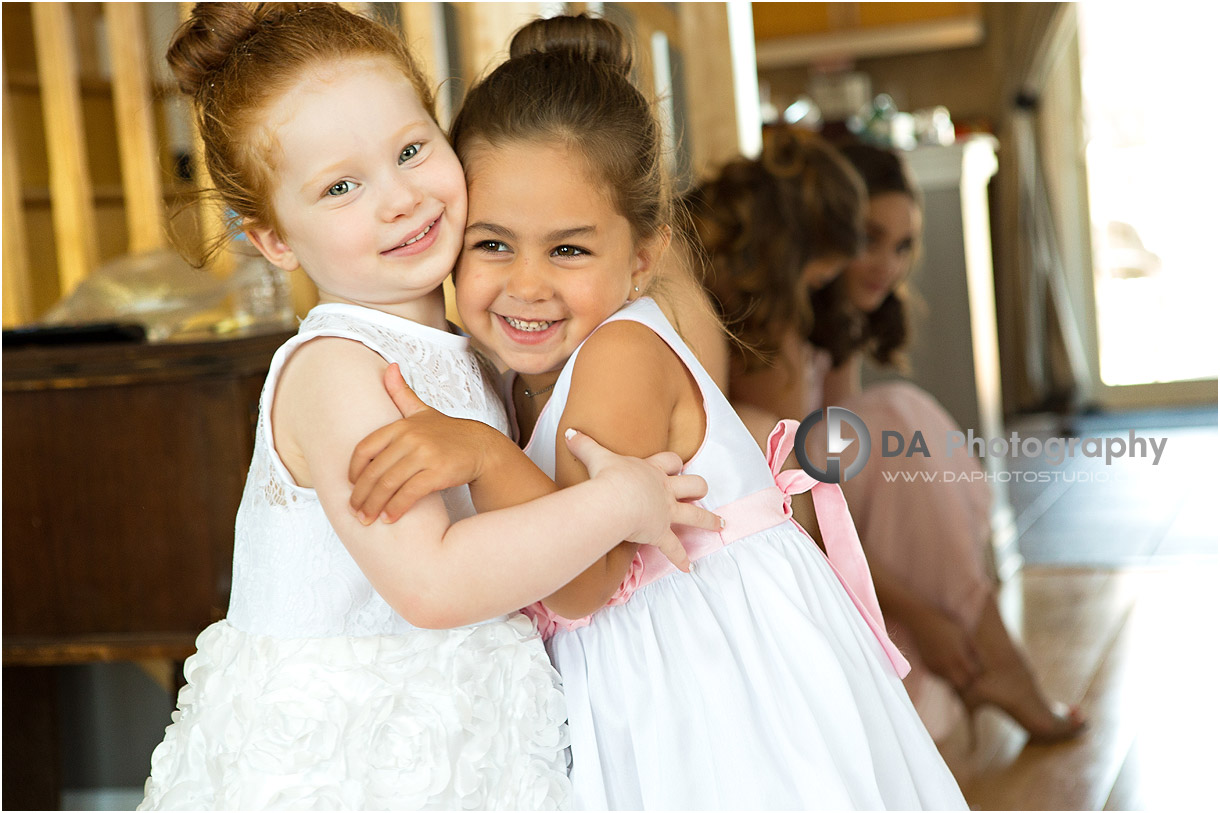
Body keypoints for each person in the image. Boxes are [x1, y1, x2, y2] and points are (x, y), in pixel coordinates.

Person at [350, 15, 967, 809]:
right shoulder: (518, 367)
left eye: (568, 249)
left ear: (642, 258)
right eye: (493, 244)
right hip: (650, 673)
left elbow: (578, 583)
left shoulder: (621, 358)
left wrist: (481, 453)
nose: (526, 285)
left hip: (720, 680)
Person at [139, 5, 720, 809]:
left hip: (465, 741)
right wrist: (619, 500)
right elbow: (432, 581)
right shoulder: (338, 370)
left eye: (411, 150)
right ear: (272, 237)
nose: (400, 199)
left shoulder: (466, 346)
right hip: (351, 759)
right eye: (341, 186)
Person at [699, 136, 1086, 745]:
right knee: (897, 420)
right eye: (867, 239)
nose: (883, 263)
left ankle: (987, 652)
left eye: (902, 246)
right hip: (798, 519)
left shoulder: (824, 321)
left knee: (895, 430)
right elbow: (805, 499)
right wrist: (917, 614)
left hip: (832, 508)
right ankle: (990, 653)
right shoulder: (771, 327)